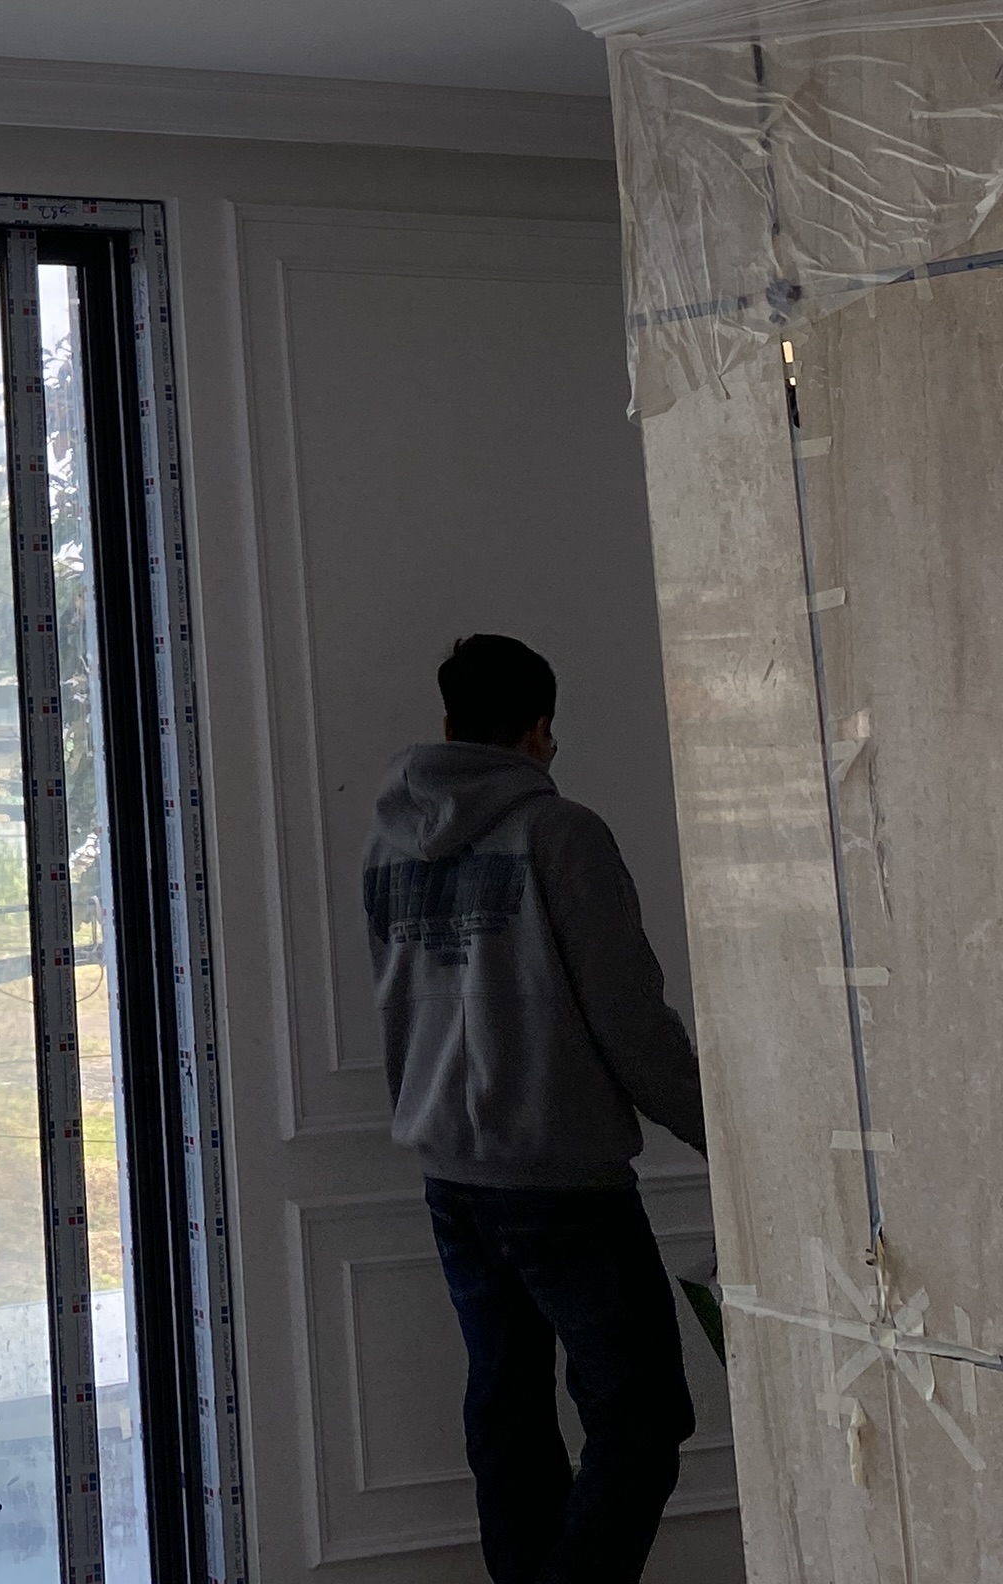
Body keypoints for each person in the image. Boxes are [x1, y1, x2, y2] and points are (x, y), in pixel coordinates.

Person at [359, 634, 707, 1584]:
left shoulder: (389, 842)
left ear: (449, 722)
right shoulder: (561, 834)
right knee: (642, 1418)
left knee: (508, 1416)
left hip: (452, 1178)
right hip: (562, 1183)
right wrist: (722, 1132)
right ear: (540, 730)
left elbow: (406, 1002)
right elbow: (629, 1018)